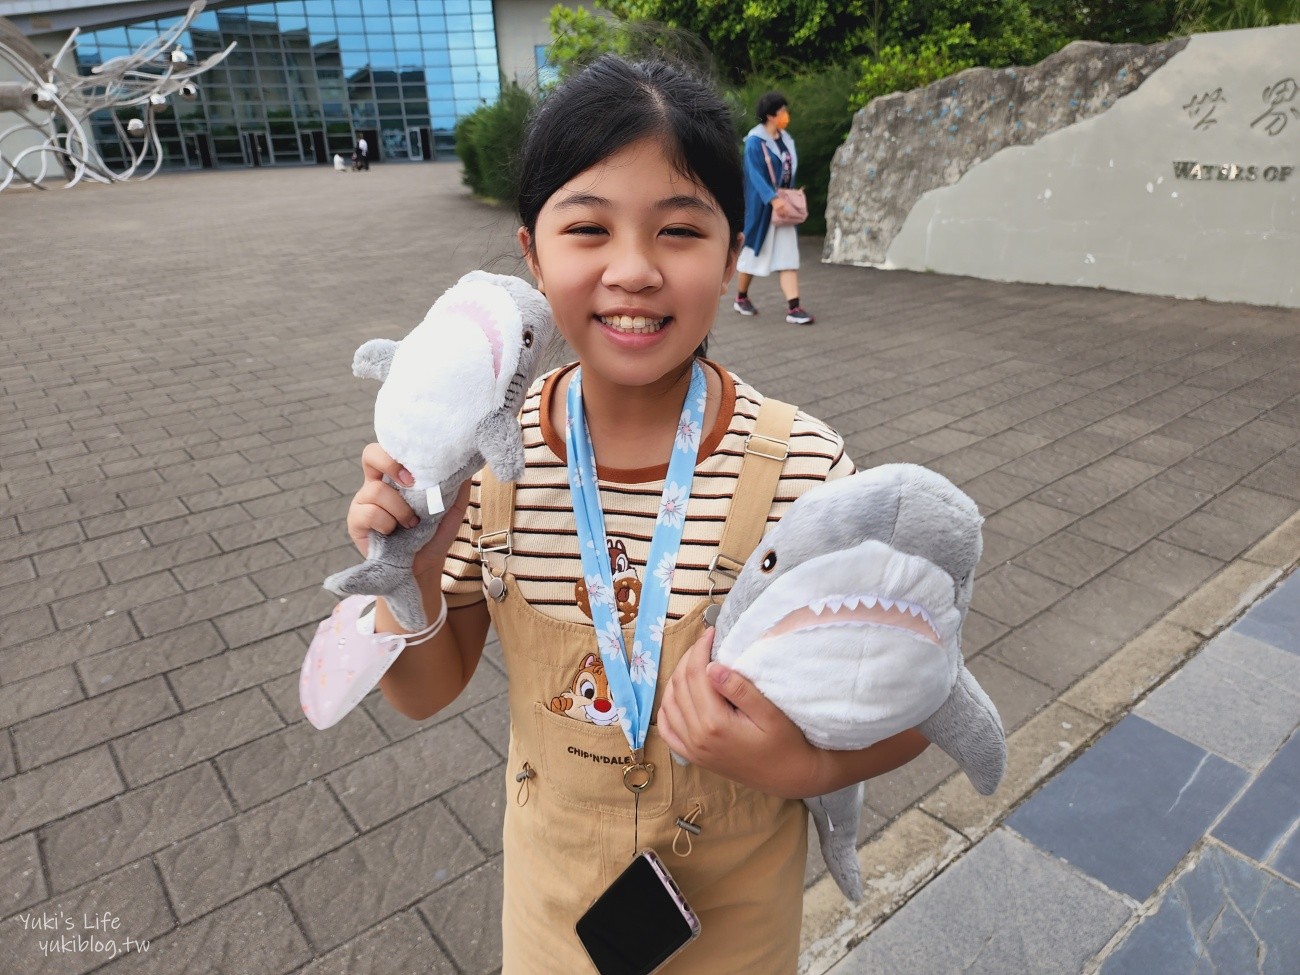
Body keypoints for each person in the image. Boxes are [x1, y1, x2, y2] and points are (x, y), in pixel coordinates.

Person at [345, 55, 928, 974]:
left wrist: (800, 769)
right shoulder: (481, 468)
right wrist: (412, 570)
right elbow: (424, 692)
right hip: (551, 918)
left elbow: (914, 700)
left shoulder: (805, 472)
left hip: (733, 920)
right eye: (587, 227)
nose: (633, 270)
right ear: (532, 253)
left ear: (734, 248)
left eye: (679, 230)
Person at [733, 91, 814, 325]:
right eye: (782, 112)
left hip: (783, 209)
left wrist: (783, 198)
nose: (786, 116)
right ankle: (741, 297)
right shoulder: (755, 143)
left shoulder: (785, 139)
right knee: (752, 254)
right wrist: (772, 199)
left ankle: (794, 307)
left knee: (788, 257)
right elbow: (755, 175)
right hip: (763, 210)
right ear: (770, 115)